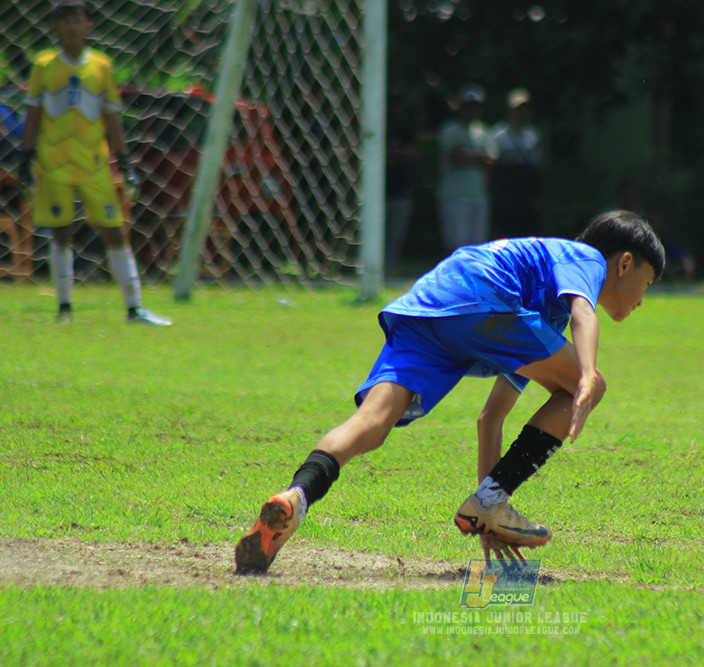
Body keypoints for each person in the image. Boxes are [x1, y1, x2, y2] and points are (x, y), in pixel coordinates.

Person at [234, 210, 667, 573]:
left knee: (372, 424)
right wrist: (588, 372)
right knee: (589, 387)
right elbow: (582, 311)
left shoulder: (537, 315)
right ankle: (490, 503)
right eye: (647, 284)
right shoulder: (587, 258)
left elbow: (491, 418)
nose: (642, 300)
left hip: (434, 301)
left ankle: (297, 496)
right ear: (624, 263)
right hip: (485, 295)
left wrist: (487, 513)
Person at [19, 0, 170, 325]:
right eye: (65, 21)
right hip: (54, 162)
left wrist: (125, 159)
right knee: (61, 233)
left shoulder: (102, 65)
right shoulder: (43, 65)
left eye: (77, 20)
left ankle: (134, 308)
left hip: (94, 163)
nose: (72, 26)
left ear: (89, 25)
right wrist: (25, 154)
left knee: (113, 230)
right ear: (55, 27)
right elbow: (33, 112)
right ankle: (64, 309)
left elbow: (112, 115)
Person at [437, 84, 494, 252]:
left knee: (478, 246)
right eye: (468, 106)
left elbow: (490, 162)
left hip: (479, 196)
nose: (471, 110)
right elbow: (456, 157)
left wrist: (469, 156)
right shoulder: (450, 130)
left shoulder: (485, 132)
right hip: (454, 195)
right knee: (458, 244)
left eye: (475, 107)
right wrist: (478, 157)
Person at [615, 179, 695, 281]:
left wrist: (686, 263)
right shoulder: (610, 217)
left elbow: (680, 254)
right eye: (627, 196)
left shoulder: (644, 219)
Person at [491, 88, 542, 239]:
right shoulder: (498, 135)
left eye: (526, 109)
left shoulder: (533, 134)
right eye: (518, 109)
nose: (522, 113)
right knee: (508, 232)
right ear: (509, 111)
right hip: (507, 192)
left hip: (528, 192)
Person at [384, 91, 422, 274]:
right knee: (374, 236)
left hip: (402, 194)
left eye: (398, 105)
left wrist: (392, 154)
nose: (394, 109)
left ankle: (388, 271)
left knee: (395, 237)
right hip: (379, 195)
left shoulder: (406, 131)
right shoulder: (377, 129)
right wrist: (400, 155)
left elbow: (415, 154)